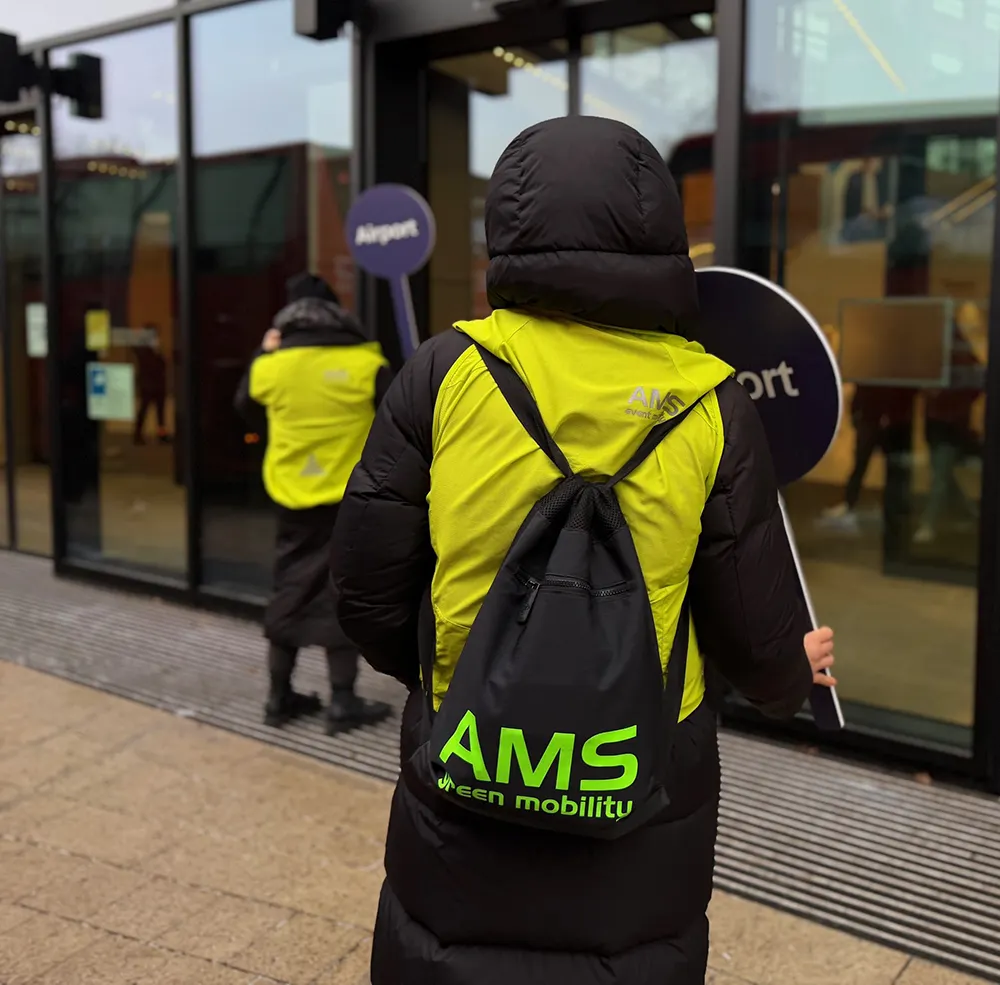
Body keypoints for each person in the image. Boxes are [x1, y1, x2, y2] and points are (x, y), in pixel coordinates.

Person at [332, 117, 836, 985]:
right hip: (645, 785)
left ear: (510, 230)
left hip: (465, 760)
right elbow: (756, 639)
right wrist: (796, 672)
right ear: (662, 236)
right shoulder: (712, 401)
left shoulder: (445, 371)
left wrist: (460, 674)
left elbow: (366, 593)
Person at [236, 272, 393, 735]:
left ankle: (278, 697)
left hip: (291, 495)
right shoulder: (366, 363)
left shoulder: (272, 366)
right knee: (342, 590)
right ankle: (343, 700)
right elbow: (395, 424)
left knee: (289, 586)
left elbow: (245, 406)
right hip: (349, 500)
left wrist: (265, 353)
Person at [133, 324, 170, 445]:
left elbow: (163, 364)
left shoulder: (156, 348)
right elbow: (148, 363)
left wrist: (157, 351)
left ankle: (161, 434)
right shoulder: (142, 348)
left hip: (159, 383)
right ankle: (137, 434)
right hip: (147, 384)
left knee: (161, 411)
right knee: (144, 410)